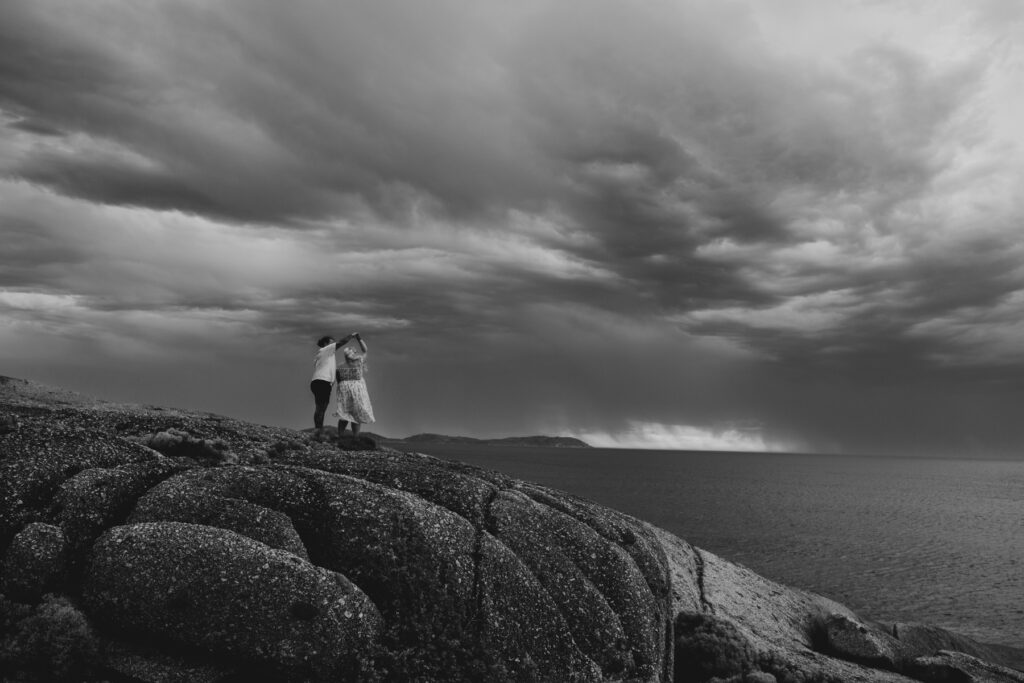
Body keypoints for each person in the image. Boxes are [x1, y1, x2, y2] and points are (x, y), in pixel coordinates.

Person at [310, 334, 353, 437]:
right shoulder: (326, 350)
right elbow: (341, 342)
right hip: (322, 382)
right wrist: (351, 336)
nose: (334, 344)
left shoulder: (323, 354)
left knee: (320, 407)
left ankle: (318, 430)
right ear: (326, 344)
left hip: (319, 382)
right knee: (321, 408)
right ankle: (318, 431)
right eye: (332, 342)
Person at [335, 332, 375, 439]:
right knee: (356, 414)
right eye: (355, 351)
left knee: (344, 414)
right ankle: (355, 438)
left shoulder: (339, 366)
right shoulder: (359, 362)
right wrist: (359, 338)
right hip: (358, 390)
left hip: (344, 390)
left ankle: (340, 436)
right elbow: (365, 350)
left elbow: (338, 380)